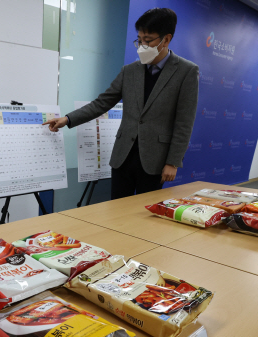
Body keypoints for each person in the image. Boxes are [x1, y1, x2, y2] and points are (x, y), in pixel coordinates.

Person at [43, 8, 199, 199]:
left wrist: (173, 162)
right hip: (123, 157)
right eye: (139, 40)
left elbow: (184, 122)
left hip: (155, 160)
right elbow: (102, 103)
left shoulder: (186, 72)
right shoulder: (130, 70)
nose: (142, 45)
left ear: (166, 39)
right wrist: (68, 119)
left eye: (148, 40)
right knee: (116, 211)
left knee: (145, 215)